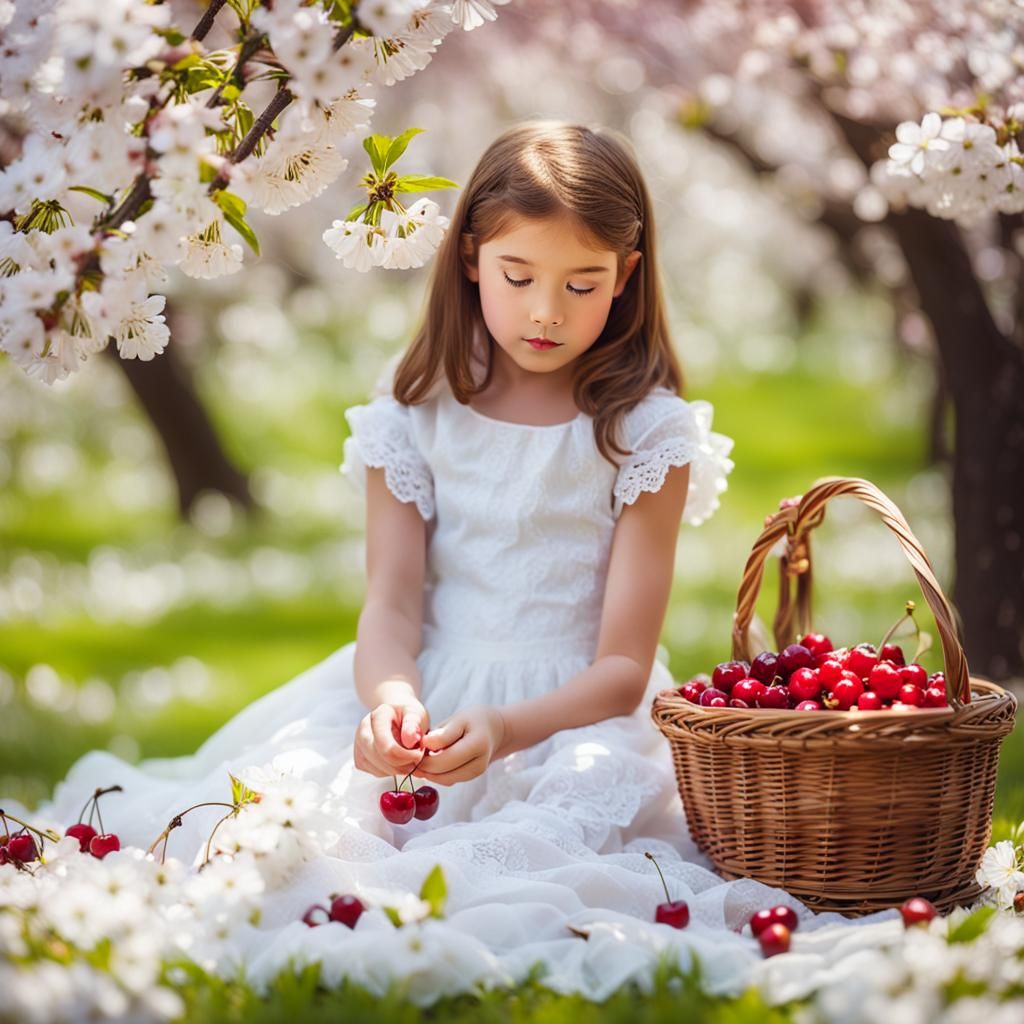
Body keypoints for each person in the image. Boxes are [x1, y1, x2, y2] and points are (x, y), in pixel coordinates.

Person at [13, 121, 894, 1003]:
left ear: (626, 280)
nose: (546, 310)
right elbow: (392, 607)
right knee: (291, 847)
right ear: (471, 259)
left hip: (571, 718)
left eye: (581, 284)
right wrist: (392, 702)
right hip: (426, 688)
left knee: (544, 874)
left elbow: (625, 669)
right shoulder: (415, 416)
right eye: (519, 277)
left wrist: (510, 731)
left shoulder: (643, 431)